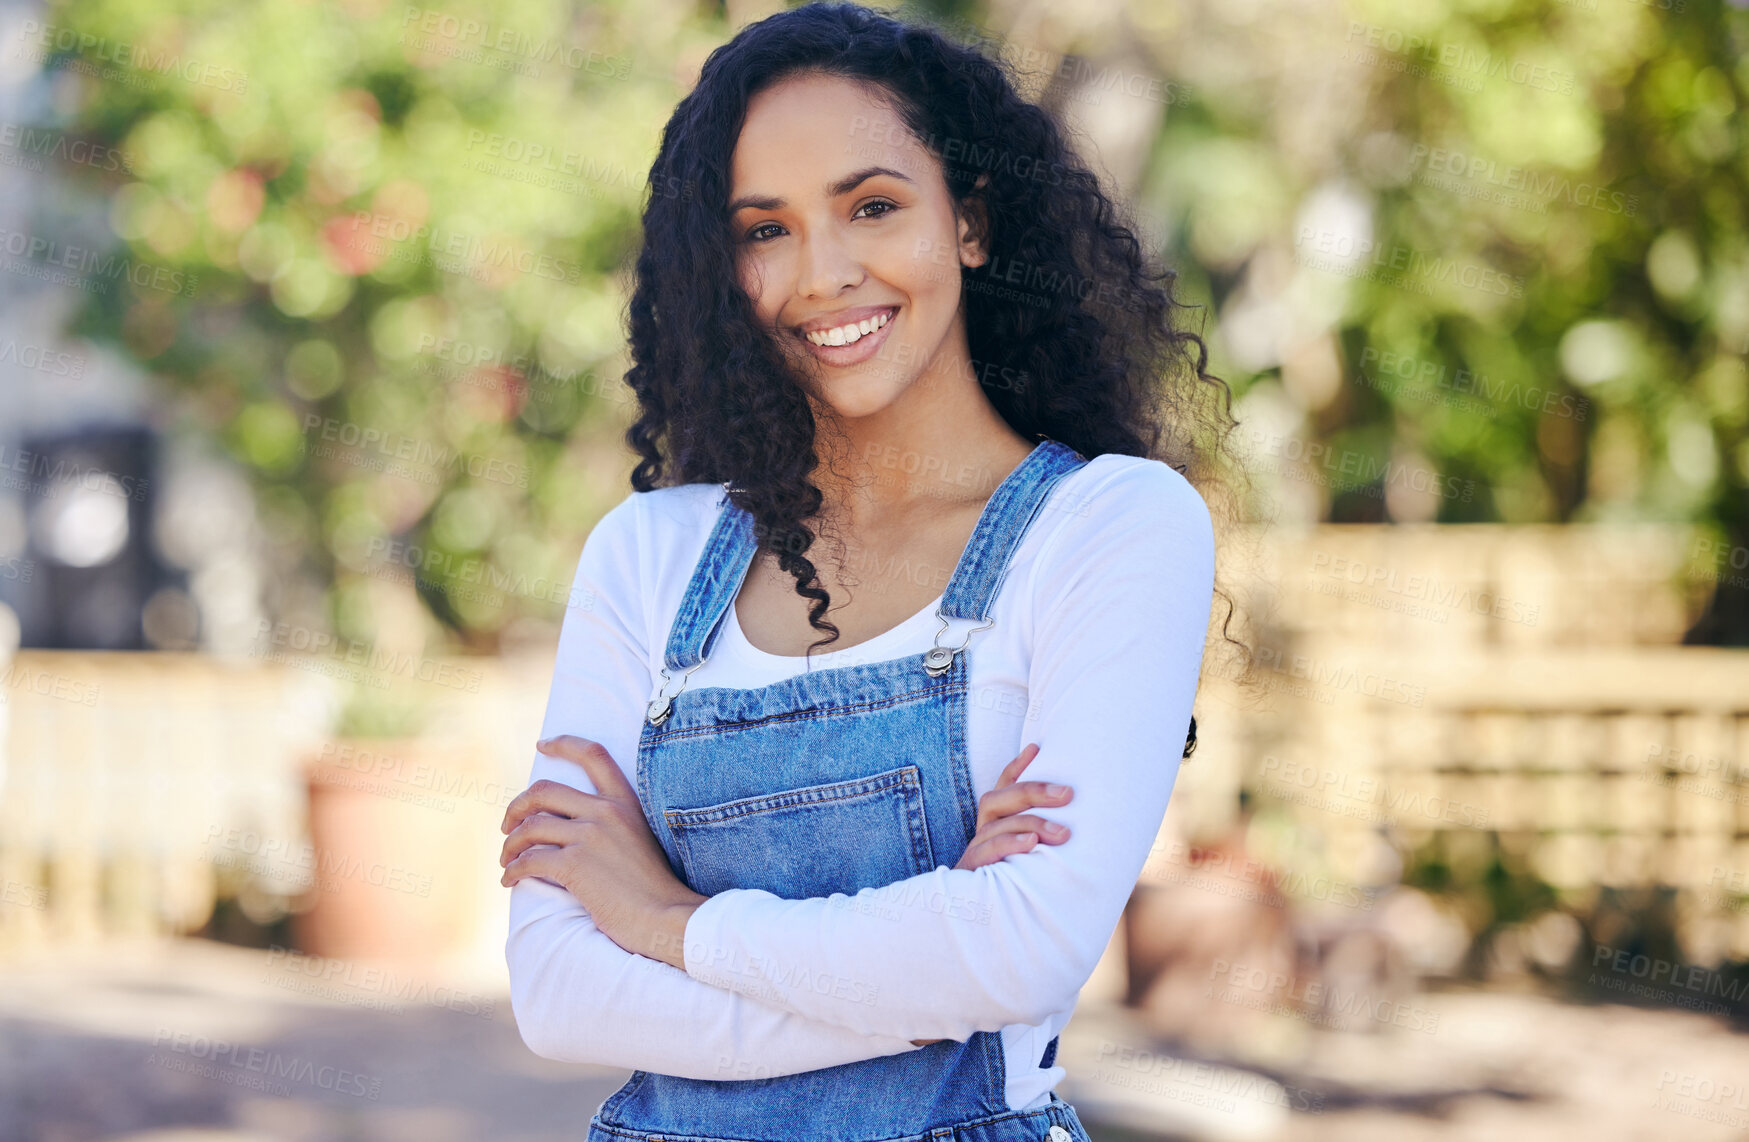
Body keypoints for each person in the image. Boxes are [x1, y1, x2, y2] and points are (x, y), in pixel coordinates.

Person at [497, 4, 1232, 1139]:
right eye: (764, 230)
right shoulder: (647, 554)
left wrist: (667, 918)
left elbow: (1032, 945)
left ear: (971, 225)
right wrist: (940, 972)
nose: (822, 274)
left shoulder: (1111, 526)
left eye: (873, 206)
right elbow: (558, 994)